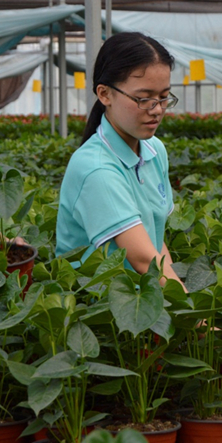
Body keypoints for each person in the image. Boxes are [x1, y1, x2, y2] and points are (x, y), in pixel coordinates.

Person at [56, 32, 186, 289]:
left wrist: (181, 305)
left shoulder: (154, 150)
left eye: (163, 96)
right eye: (143, 98)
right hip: (95, 309)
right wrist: (199, 321)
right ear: (104, 94)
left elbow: (155, 241)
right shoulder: (96, 168)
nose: (157, 109)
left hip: (138, 297)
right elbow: (141, 259)